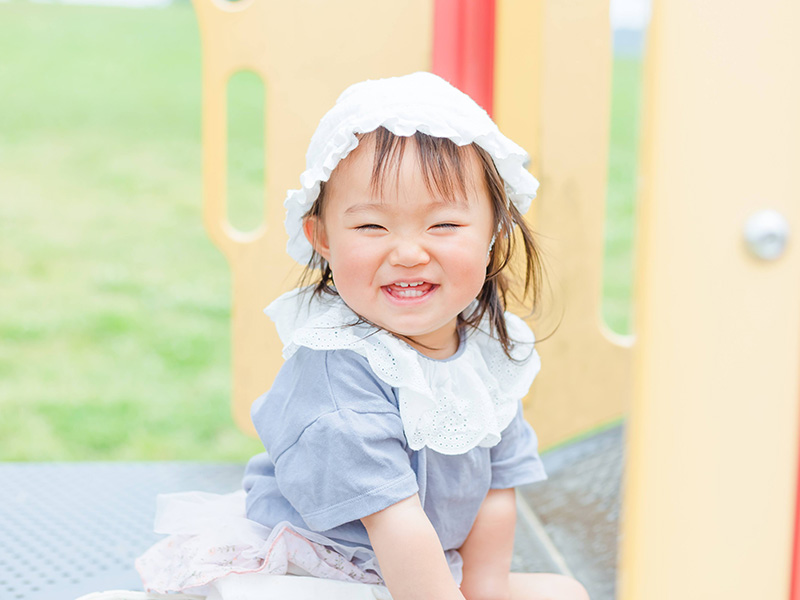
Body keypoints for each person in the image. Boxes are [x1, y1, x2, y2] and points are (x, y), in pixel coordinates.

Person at [136, 72, 589, 600]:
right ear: (323, 238)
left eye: (443, 225)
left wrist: (485, 590)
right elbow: (394, 521)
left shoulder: (490, 349)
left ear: (494, 230)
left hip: (419, 571)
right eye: (372, 226)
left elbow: (497, 485)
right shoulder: (339, 368)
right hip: (320, 569)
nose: (408, 252)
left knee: (564, 594)